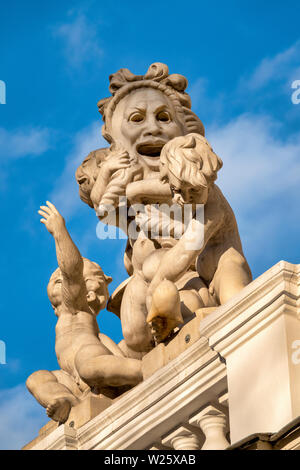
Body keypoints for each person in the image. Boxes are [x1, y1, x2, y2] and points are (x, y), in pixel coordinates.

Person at [26, 201, 142, 423]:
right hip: (71, 378)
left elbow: (71, 269)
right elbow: (111, 347)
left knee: (89, 365)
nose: (58, 279)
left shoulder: (75, 308)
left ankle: (143, 371)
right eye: (55, 278)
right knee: (36, 378)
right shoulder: (68, 317)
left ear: (87, 293)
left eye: (58, 279)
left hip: (87, 359)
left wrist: (59, 231)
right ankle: (65, 400)